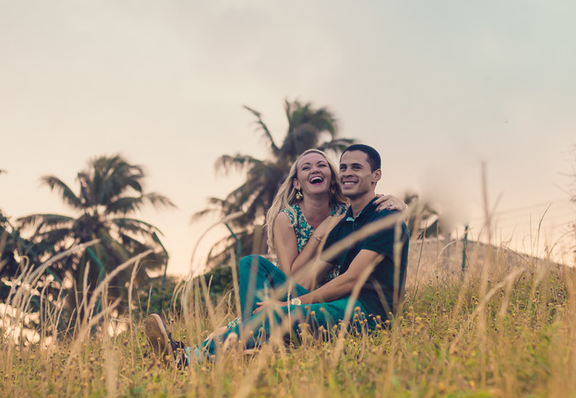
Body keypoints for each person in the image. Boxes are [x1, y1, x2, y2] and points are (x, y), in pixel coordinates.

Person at [145, 144, 409, 365]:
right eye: (344, 168)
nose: (347, 173)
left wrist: (292, 305)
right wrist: (285, 299)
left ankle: (186, 358)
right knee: (253, 265)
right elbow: (304, 279)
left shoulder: (385, 217)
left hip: (367, 311)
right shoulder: (343, 222)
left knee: (279, 315)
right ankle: (251, 340)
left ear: (376, 175)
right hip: (328, 300)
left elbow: (352, 280)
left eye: (356, 168)